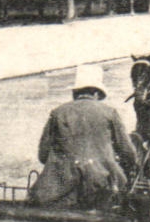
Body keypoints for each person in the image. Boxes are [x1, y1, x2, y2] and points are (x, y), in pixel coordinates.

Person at [29, 65, 140, 209]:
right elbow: (128, 153)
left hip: (59, 190)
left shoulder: (58, 113)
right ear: (96, 93)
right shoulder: (110, 113)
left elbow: (43, 155)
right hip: (100, 188)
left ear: (75, 93)